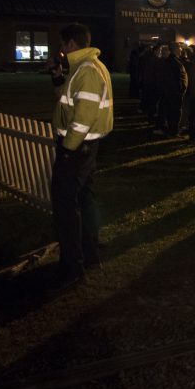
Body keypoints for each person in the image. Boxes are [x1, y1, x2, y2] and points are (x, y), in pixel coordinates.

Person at [47, 22, 113, 289]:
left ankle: (72, 266)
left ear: (71, 44)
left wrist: (67, 148)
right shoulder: (87, 67)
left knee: (65, 204)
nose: (61, 50)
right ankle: (90, 254)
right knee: (85, 200)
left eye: (62, 44)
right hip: (86, 146)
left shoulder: (85, 71)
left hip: (78, 147)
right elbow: (68, 100)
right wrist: (56, 77)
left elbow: (82, 118)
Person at [158, 43, 188, 136]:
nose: (181, 49)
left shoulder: (174, 61)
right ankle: (173, 131)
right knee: (174, 112)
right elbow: (174, 79)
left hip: (173, 92)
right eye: (179, 48)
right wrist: (179, 91)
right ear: (174, 49)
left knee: (173, 112)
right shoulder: (173, 62)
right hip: (174, 93)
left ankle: (173, 129)